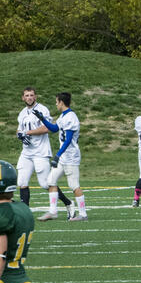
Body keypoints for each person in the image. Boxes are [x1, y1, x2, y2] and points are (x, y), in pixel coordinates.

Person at [16, 87, 74, 218]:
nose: (29, 97)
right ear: (23, 98)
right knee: (22, 182)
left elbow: (46, 128)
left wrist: (27, 133)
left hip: (40, 152)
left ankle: (68, 203)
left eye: (31, 95)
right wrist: (20, 135)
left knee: (45, 183)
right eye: (27, 95)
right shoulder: (22, 113)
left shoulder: (42, 109)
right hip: (26, 153)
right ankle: (25, 214)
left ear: (35, 97)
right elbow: (19, 129)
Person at [33, 92, 87, 222]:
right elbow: (54, 128)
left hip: (71, 157)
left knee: (74, 185)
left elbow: (68, 140)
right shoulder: (63, 116)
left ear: (61, 102)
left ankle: (83, 214)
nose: (56, 104)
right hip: (63, 157)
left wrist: (57, 155)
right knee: (51, 181)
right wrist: (42, 119)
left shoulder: (71, 117)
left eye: (57, 102)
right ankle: (53, 212)